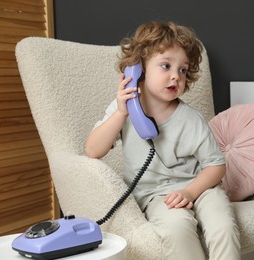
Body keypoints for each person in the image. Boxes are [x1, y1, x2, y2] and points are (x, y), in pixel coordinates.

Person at [85, 21, 240, 260]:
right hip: (156, 196)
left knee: (223, 224)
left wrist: (190, 192)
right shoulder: (123, 111)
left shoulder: (191, 119)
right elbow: (93, 150)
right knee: (178, 228)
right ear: (139, 69)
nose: (175, 76)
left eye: (183, 70)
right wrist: (121, 113)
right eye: (166, 66)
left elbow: (216, 165)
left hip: (199, 187)